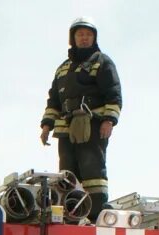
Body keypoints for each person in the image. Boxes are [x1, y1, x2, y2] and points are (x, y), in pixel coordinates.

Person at [39, 16, 122, 219]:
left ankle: (96, 214)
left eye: (88, 35)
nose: (84, 38)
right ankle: (72, 213)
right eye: (80, 34)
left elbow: (114, 94)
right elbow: (54, 100)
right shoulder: (62, 69)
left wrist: (108, 120)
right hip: (66, 128)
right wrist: (47, 125)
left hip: (91, 125)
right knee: (67, 174)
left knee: (92, 170)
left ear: (94, 38)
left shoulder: (102, 62)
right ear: (73, 38)